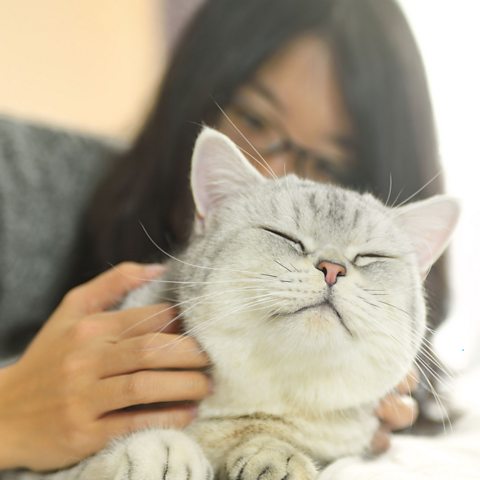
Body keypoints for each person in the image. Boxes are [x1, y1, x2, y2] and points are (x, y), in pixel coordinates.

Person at [0, 0, 446, 472]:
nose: (277, 173)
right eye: (255, 122)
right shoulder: (24, 182)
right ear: (195, 94)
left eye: (331, 166)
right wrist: (11, 412)